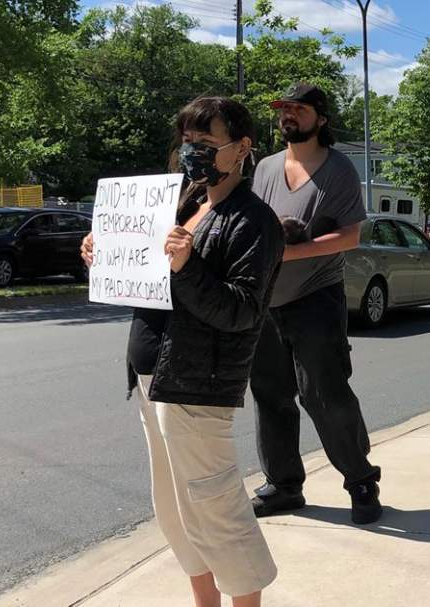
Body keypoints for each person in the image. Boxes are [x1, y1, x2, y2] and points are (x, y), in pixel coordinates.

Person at [81, 96, 285, 606]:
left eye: (207, 143)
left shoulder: (252, 221)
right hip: (154, 374)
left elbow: (241, 310)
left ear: (242, 148)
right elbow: (147, 283)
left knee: (215, 507)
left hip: (199, 382)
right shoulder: (185, 205)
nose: (192, 152)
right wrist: (104, 256)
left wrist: (187, 265)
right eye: (188, 142)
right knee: (175, 508)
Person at [248, 82, 382, 524]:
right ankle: (284, 485)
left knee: (324, 393)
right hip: (267, 300)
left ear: (320, 118)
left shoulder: (338, 169)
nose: (288, 115)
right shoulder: (265, 168)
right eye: (284, 108)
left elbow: (349, 235)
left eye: (298, 109)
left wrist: (287, 252)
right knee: (270, 395)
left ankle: (360, 480)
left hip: (315, 297)